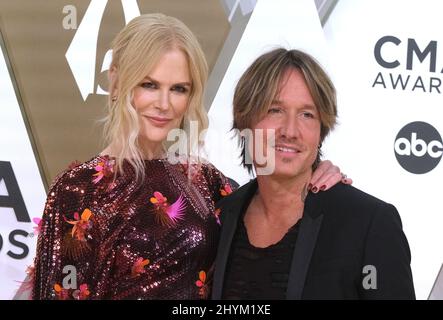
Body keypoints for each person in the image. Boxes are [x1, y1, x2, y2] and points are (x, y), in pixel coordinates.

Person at [29, 14, 348, 300]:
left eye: (179, 89)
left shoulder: (204, 180)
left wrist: (317, 173)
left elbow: (272, 218)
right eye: (150, 85)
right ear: (116, 81)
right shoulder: (79, 190)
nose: (164, 104)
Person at [212, 48, 415, 300]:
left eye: (307, 114)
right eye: (275, 110)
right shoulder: (220, 217)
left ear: (321, 131)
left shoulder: (368, 223)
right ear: (246, 120)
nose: (290, 130)